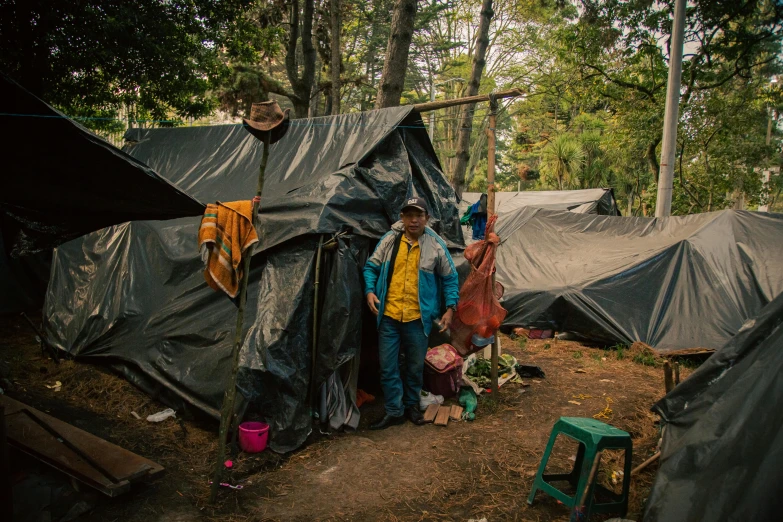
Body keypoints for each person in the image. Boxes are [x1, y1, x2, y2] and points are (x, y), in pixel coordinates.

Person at [363, 197, 460, 429]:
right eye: (408, 215)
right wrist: (369, 291)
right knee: (388, 367)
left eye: (418, 215)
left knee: (415, 368)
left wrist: (450, 308)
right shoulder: (389, 240)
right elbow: (371, 267)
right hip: (389, 317)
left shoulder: (435, 245)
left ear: (427, 218)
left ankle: (412, 407)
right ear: (402, 218)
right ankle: (394, 411)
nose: (413, 220)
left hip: (418, 319)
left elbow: (450, 278)